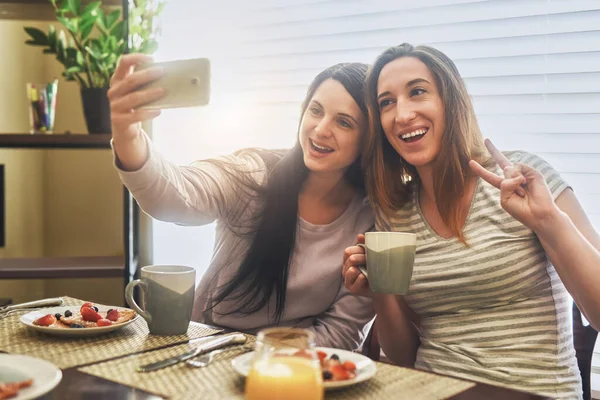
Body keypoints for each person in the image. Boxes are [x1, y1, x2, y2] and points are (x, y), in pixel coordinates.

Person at [342, 43, 600, 398]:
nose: (402, 114)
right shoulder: (394, 214)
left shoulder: (525, 178)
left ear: (452, 101)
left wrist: (548, 221)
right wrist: (381, 291)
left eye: (417, 92)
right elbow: (403, 358)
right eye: (387, 102)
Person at [108, 54, 375, 350]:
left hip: (298, 367)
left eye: (344, 122)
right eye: (316, 110)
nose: (321, 129)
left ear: (369, 140)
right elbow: (172, 196)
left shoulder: (371, 219)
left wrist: (266, 362)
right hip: (207, 351)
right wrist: (127, 134)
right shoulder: (253, 173)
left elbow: (344, 333)